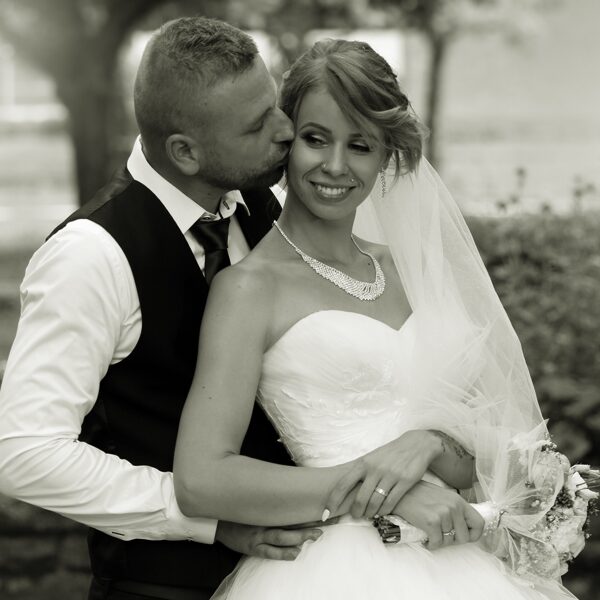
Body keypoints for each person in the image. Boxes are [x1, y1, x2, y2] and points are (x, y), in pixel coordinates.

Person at [0, 17, 479, 600]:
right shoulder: (91, 255)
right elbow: (23, 453)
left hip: (328, 563)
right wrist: (201, 519)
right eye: (258, 124)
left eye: (275, 105)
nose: (285, 130)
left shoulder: (256, 205)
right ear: (186, 151)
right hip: (161, 586)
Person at [173, 39, 578, 599]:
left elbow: (497, 456)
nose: (336, 166)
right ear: (286, 140)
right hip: (334, 569)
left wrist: (431, 444)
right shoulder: (249, 288)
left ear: (387, 154)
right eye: (316, 139)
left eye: (360, 145)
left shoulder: (414, 269)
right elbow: (202, 479)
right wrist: (392, 492)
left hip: (460, 555)